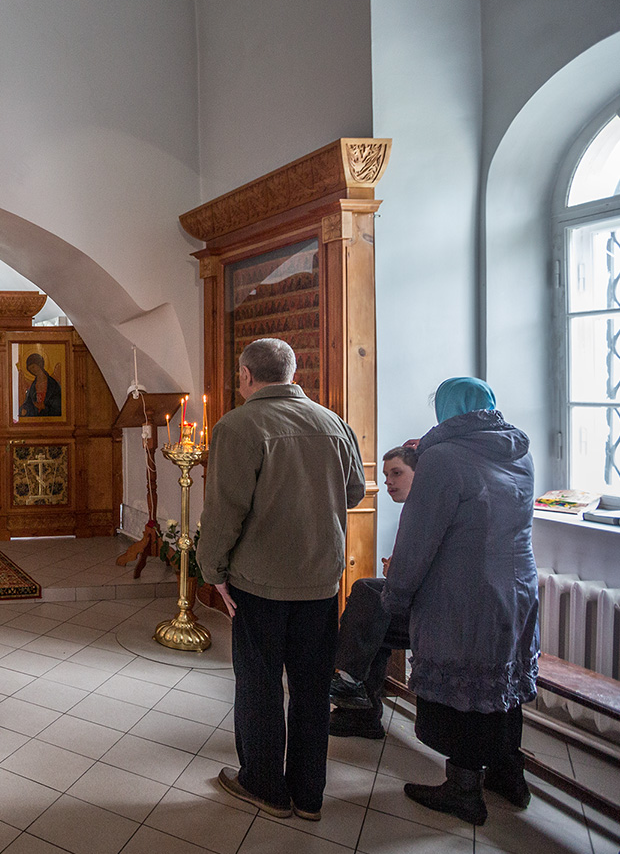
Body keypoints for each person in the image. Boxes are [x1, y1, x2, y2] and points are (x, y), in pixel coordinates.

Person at [196, 338, 364, 822]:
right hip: (320, 580)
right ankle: (309, 794)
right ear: (293, 373)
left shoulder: (239, 425)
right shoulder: (332, 423)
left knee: (260, 683)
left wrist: (213, 573)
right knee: (313, 689)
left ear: (247, 375)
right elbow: (352, 491)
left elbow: (224, 511)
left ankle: (265, 785)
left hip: (261, 581)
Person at [382, 377, 538, 825]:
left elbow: (418, 539)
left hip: (463, 592)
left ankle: (464, 789)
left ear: (447, 411)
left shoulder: (443, 458)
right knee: (500, 682)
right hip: (517, 587)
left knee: (466, 688)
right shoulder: (518, 451)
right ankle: (509, 774)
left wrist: (397, 594)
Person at [329, 444, 418, 740]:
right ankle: (361, 711)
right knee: (370, 616)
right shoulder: (416, 509)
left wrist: (398, 571)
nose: (389, 481)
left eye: (397, 473)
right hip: (414, 603)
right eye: (385, 475)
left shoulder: (427, 511)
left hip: (434, 614)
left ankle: (351, 685)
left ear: (418, 474)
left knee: (366, 594)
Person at [19, 351, 62, 417]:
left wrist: (44, 406)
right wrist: (24, 409)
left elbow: (58, 404)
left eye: (33, 367)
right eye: (30, 369)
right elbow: (29, 401)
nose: (33, 370)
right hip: (36, 418)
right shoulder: (33, 385)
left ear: (39, 364)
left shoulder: (52, 384)